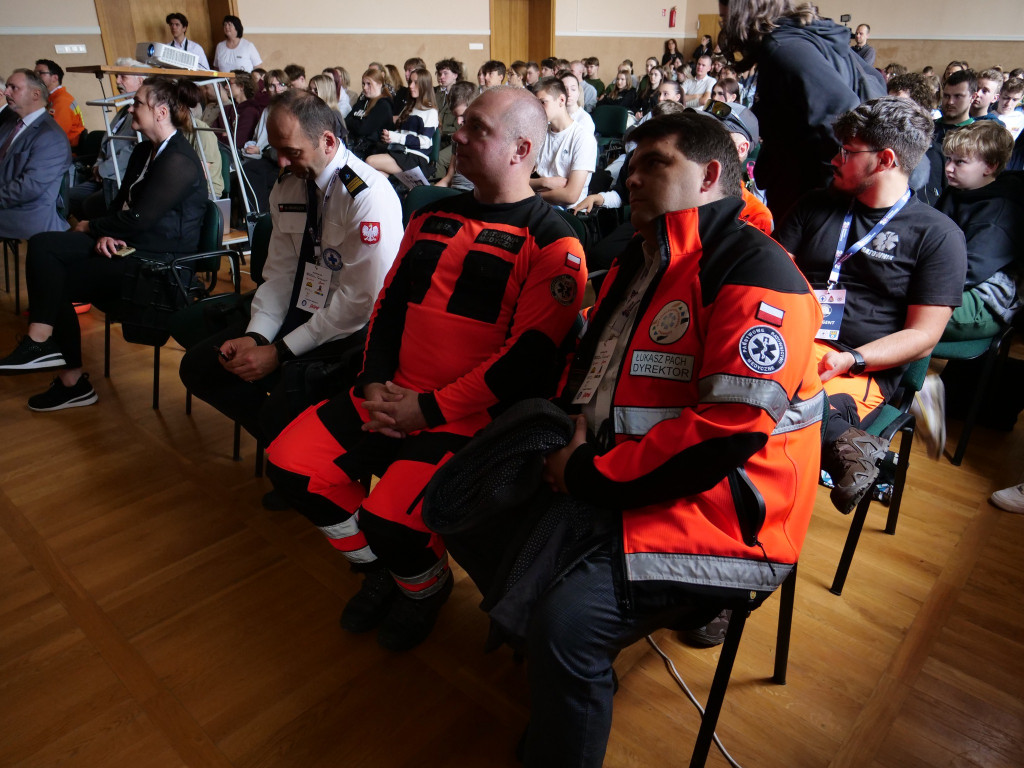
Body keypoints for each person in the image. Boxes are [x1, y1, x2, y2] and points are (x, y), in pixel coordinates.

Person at [520, 110, 823, 768]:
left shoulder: (758, 273)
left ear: (710, 175)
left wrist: (583, 474)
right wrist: (567, 435)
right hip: (631, 475)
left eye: (655, 163)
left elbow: (723, 437)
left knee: (566, 626)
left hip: (723, 515)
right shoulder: (645, 256)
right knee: (482, 507)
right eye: (631, 165)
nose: (631, 178)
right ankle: (558, 693)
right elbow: (593, 367)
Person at [263, 86, 587, 652]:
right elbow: (387, 308)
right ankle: (383, 570)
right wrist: (373, 382)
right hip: (391, 394)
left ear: (521, 149)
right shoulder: (433, 214)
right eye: (462, 123)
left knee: (391, 519)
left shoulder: (555, 244)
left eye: (478, 128)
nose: (457, 135)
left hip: (469, 421)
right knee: (290, 465)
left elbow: (526, 362)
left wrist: (427, 410)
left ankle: (424, 589)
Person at [774, 97, 968, 512]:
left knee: (779, 412)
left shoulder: (938, 235)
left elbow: (923, 336)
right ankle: (845, 444)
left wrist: (854, 359)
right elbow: (774, 276)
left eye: (847, 151)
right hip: (789, 343)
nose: (834, 159)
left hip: (856, 365)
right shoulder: (814, 205)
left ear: (885, 160)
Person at [179, 89, 402, 445]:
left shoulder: (367, 196)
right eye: (277, 151)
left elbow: (359, 303)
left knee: (279, 407)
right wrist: (257, 336)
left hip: (348, 329)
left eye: (292, 152)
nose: (281, 163)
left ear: (327, 141)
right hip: (301, 309)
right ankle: (286, 444)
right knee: (199, 367)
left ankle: (293, 449)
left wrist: (279, 351)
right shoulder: (289, 186)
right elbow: (281, 274)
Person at [0, 77, 207, 410]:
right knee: (43, 246)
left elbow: (141, 218)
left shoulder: (179, 160)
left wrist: (92, 227)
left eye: (137, 103)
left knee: (55, 275)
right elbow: (121, 207)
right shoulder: (144, 150)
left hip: (159, 267)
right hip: (132, 247)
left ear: (160, 112)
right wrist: (106, 232)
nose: (131, 108)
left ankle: (66, 374)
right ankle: (42, 345)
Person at [719, 0, 886, 220]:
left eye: (725, 19)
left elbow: (840, 117)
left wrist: (828, 201)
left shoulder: (784, 48)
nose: (725, 27)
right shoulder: (807, 34)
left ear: (741, 14)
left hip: (812, 193)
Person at [69, 60, 147, 220]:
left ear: (140, 81)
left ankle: (95, 230)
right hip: (103, 174)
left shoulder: (144, 113)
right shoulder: (124, 109)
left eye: (123, 77)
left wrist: (103, 169)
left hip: (120, 176)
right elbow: (106, 143)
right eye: (117, 76)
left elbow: (136, 149)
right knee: (68, 196)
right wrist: (97, 166)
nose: (117, 81)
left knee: (91, 205)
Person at [0, 69, 72, 242]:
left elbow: (29, 187)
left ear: (35, 94)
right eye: (7, 87)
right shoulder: (10, 123)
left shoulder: (51, 136)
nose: (6, 92)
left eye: (13, 87)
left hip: (24, 213)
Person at [531, 77, 597, 207]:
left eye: (543, 102)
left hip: (565, 209)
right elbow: (519, 181)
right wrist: (544, 182)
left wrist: (532, 195)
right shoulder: (540, 132)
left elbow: (570, 196)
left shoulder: (583, 138)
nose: (537, 109)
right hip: (539, 203)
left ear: (561, 100)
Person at [366, 68, 438, 178]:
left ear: (424, 85)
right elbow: (401, 133)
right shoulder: (408, 107)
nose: (411, 86)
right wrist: (389, 136)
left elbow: (425, 142)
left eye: (416, 83)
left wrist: (395, 137)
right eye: (410, 82)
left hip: (415, 157)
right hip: (401, 152)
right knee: (380, 175)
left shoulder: (430, 111)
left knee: (370, 160)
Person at [33, 59, 84, 148]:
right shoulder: (50, 98)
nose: (35, 77)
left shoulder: (62, 101)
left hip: (65, 150)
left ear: (55, 78)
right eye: (34, 73)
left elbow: (53, 135)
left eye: (40, 73)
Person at [345, 69, 394, 158]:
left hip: (372, 152)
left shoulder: (383, 105)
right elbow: (346, 121)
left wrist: (354, 121)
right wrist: (359, 122)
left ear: (379, 84)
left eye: (369, 84)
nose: (364, 87)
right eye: (363, 84)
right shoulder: (362, 102)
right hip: (356, 147)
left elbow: (363, 129)